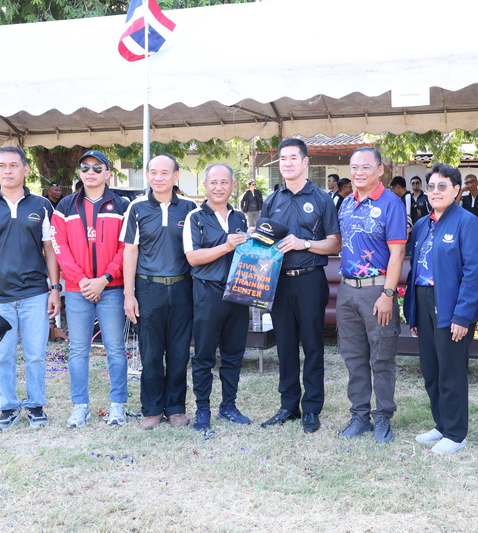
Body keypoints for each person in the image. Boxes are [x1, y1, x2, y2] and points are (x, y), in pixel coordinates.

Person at [0, 146, 62, 430]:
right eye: (2, 165)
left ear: (25, 170)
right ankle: (8, 408)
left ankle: (36, 405)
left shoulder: (42, 205)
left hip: (35, 294)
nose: (8, 170)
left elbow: (50, 250)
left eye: (14, 165)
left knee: (36, 355)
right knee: (1, 356)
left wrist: (55, 289)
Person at [259, 138, 341, 433]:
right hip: (279, 281)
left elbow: (335, 243)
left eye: (293, 158)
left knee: (313, 346)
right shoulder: (272, 200)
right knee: (285, 346)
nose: (287, 163)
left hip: (310, 279)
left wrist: (304, 243)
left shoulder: (321, 199)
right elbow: (264, 243)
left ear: (305, 162)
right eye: (283, 158)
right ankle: (288, 406)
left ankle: (312, 409)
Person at [403, 163, 478, 454]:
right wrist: (412, 311)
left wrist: (462, 315)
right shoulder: (423, 224)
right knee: (431, 369)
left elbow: (473, 272)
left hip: (451, 304)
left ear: (456, 190)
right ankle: (441, 424)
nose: (435, 192)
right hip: (424, 299)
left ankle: (455, 433)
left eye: (442, 186)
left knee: (451, 370)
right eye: (431, 187)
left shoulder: (467, 222)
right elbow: (415, 270)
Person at [51, 149, 129, 428]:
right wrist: (82, 280)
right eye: (85, 168)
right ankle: (79, 406)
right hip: (77, 290)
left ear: (108, 172)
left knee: (115, 348)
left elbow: (126, 247)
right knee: (78, 350)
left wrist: (105, 278)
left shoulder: (122, 205)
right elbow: (59, 247)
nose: (91, 172)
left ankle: (118, 405)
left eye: (98, 168)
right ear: (79, 173)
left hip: (112, 287)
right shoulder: (65, 206)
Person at [121, 154, 197, 430]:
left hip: (182, 287)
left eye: (165, 172)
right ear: (147, 175)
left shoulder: (189, 209)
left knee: (179, 352)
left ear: (176, 176)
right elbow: (130, 251)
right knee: (151, 353)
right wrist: (129, 294)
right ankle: (152, 409)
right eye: (153, 172)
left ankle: (176, 408)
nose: (158, 177)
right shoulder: (137, 208)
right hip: (148, 288)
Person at [336, 147, 407, 442]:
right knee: (353, 358)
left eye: (366, 167)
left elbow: (398, 252)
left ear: (380, 170)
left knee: (381, 358)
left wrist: (388, 293)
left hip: (377, 291)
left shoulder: (391, 203)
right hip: (347, 291)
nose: (359, 172)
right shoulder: (345, 203)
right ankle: (359, 416)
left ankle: (383, 418)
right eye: (354, 167)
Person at [183, 163, 251, 431]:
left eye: (224, 182)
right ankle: (203, 409)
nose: (219, 187)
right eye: (213, 182)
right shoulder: (195, 217)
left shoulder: (240, 217)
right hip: (208, 291)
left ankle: (229, 406)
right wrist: (226, 246)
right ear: (205, 186)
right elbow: (193, 257)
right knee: (204, 354)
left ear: (233, 186)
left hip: (238, 291)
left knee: (234, 353)